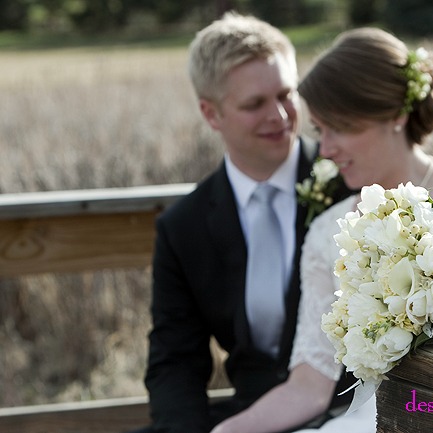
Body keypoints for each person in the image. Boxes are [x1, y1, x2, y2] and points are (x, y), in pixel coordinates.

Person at [210, 27, 433, 433]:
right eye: (319, 131)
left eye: (341, 128)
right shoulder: (331, 230)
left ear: (397, 114)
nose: (325, 150)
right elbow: (309, 386)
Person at [137, 12, 354, 433]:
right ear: (211, 114)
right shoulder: (184, 227)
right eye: (254, 104)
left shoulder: (349, 184)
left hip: (350, 413)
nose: (279, 115)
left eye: (286, 94)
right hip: (248, 417)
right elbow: (176, 361)